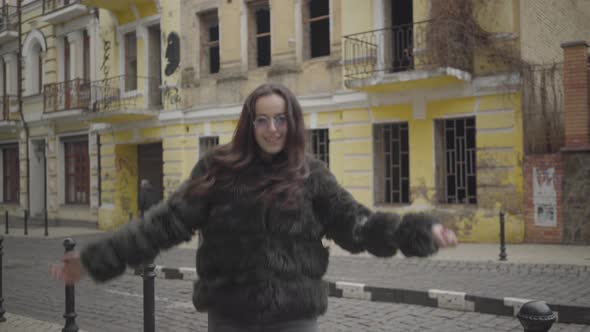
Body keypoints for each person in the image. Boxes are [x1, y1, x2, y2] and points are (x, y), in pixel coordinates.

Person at [52, 83, 457, 332]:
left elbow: (358, 224)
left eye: (280, 119)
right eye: (263, 120)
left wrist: (418, 232)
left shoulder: (311, 174)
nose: (272, 130)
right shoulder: (217, 169)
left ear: (292, 122)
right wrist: (95, 260)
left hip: (295, 318)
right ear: (250, 123)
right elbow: (164, 223)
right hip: (230, 317)